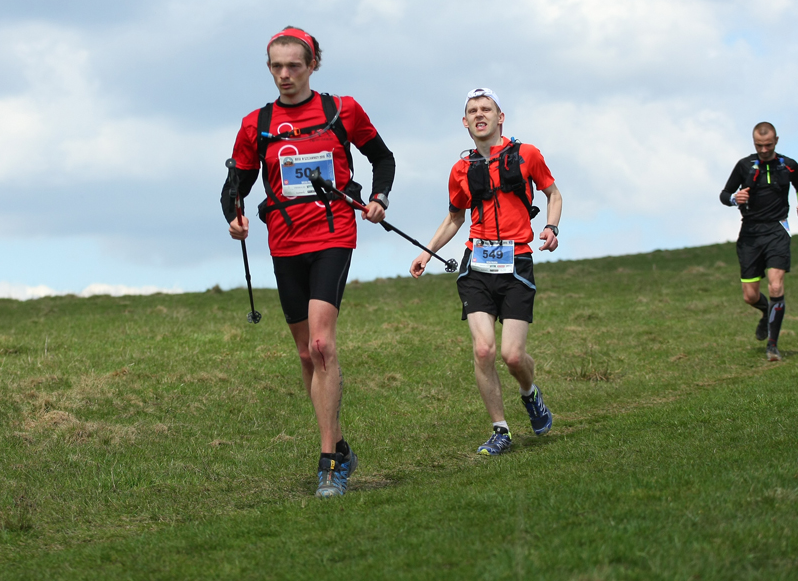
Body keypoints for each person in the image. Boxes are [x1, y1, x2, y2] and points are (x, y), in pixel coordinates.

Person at [221, 27, 395, 497]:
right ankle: (339, 443)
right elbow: (235, 186)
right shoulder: (256, 125)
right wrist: (234, 217)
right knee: (304, 353)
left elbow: (383, 158)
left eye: (294, 65)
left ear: (313, 65)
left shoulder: (342, 110)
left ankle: (328, 464)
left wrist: (378, 198)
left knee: (321, 345)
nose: (285, 75)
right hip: (284, 241)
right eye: (276, 66)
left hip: (333, 233)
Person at [409, 88, 562, 456]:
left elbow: (553, 194)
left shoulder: (527, 155)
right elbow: (455, 217)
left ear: (500, 117)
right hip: (476, 264)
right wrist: (427, 253)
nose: (480, 115)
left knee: (513, 356)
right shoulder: (460, 170)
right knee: (483, 349)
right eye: (473, 111)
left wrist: (551, 227)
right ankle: (500, 430)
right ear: (465, 122)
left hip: (517, 263)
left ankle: (530, 394)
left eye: (486, 109)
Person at [719, 121, 798, 362]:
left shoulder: (788, 165)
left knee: (776, 286)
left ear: (776, 141)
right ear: (754, 143)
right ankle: (765, 311)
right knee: (750, 296)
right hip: (750, 233)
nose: (764, 150)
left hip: (777, 230)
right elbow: (724, 195)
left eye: (768, 145)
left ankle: (773, 346)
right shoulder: (744, 165)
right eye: (759, 145)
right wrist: (735, 198)